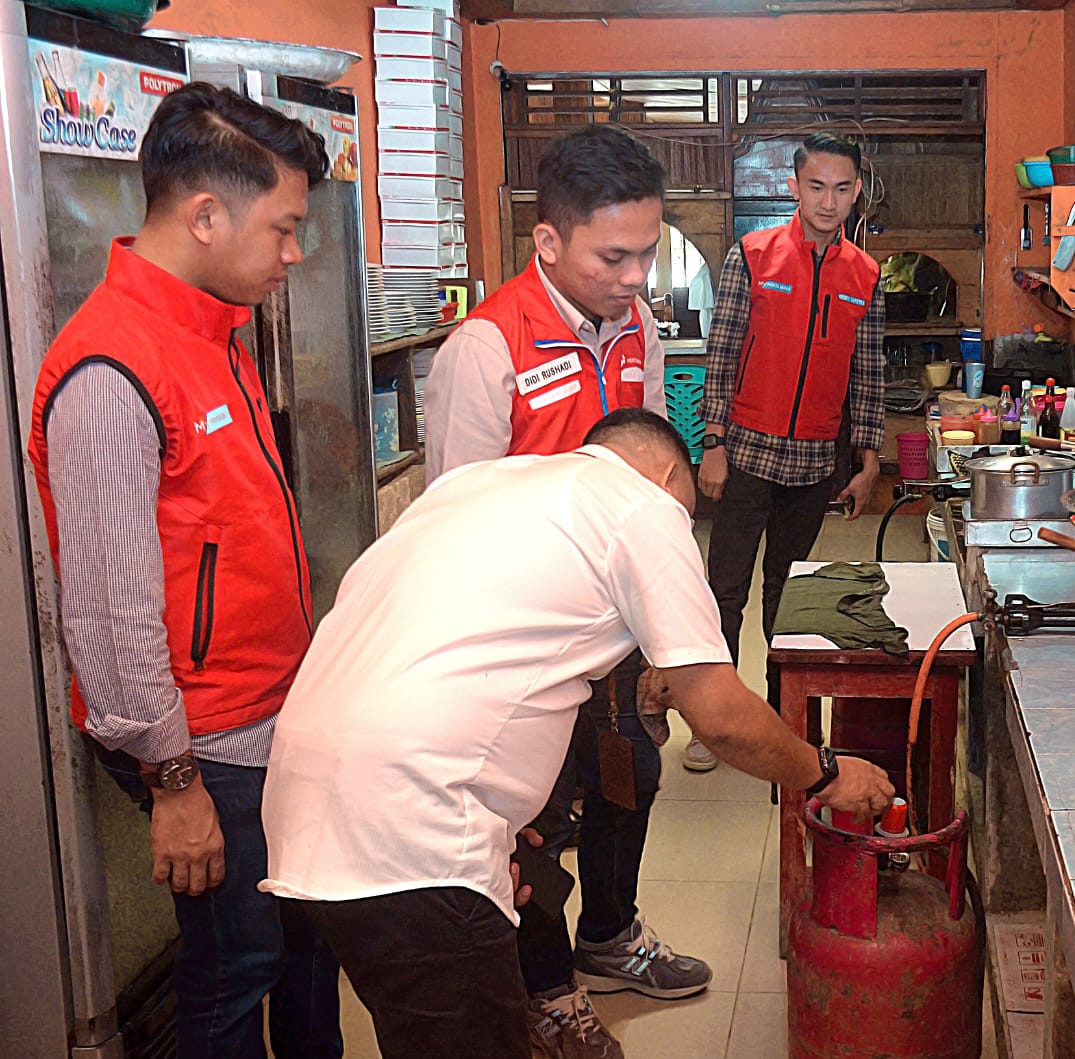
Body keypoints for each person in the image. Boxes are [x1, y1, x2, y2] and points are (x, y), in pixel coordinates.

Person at [260, 409, 894, 1059]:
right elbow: (722, 717)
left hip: (303, 800)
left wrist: (503, 816)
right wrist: (827, 771)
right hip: (413, 825)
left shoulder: (477, 486)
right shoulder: (642, 506)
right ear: (670, 474)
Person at [26, 83, 342, 1058]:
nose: (294, 253)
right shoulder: (109, 371)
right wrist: (173, 781)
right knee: (236, 967)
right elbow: (112, 609)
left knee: (304, 947)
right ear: (206, 215)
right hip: (201, 740)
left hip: (268, 713)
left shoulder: (216, 332)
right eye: (283, 227)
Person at [422, 123, 704, 1057]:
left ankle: (610, 936)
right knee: (535, 822)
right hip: (526, 646)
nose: (634, 276)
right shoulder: (486, 346)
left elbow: (655, 475)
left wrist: (660, 634)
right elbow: (454, 523)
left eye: (647, 253)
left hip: (617, 627)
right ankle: (544, 988)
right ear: (548, 241)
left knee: (632, 778)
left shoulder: (638, 327)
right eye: (613, 255)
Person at [696, 132, 887, 770]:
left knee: (789, 595)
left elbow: (868, 373)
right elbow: (721, 356)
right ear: (793, 187)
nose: (828, 201)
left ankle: (782, 723)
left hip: (813, 464)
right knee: (724, 594)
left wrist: (867, 461)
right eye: (816, 186)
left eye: (841, 188)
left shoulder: (866, 274)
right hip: (747, 452)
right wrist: (713, 443)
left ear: (856, 191)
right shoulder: (751, 256)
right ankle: (712, 725)